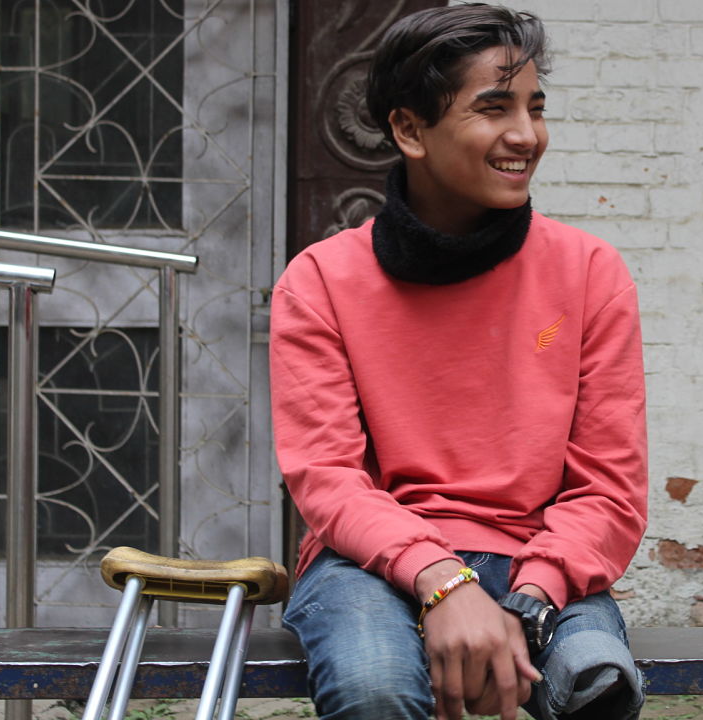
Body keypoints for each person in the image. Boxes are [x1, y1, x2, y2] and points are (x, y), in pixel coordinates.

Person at [269, 5, 648, 719]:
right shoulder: (321, 281)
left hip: (540, 561)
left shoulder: (590, 272)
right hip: (368, 564)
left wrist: (529, 599)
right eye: (494, 108)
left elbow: (611, 488)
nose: (526, 135)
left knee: (597, 685)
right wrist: (443, 581)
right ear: (409, 129)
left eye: (535, 108)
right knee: (373, 687)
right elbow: (327, 479)